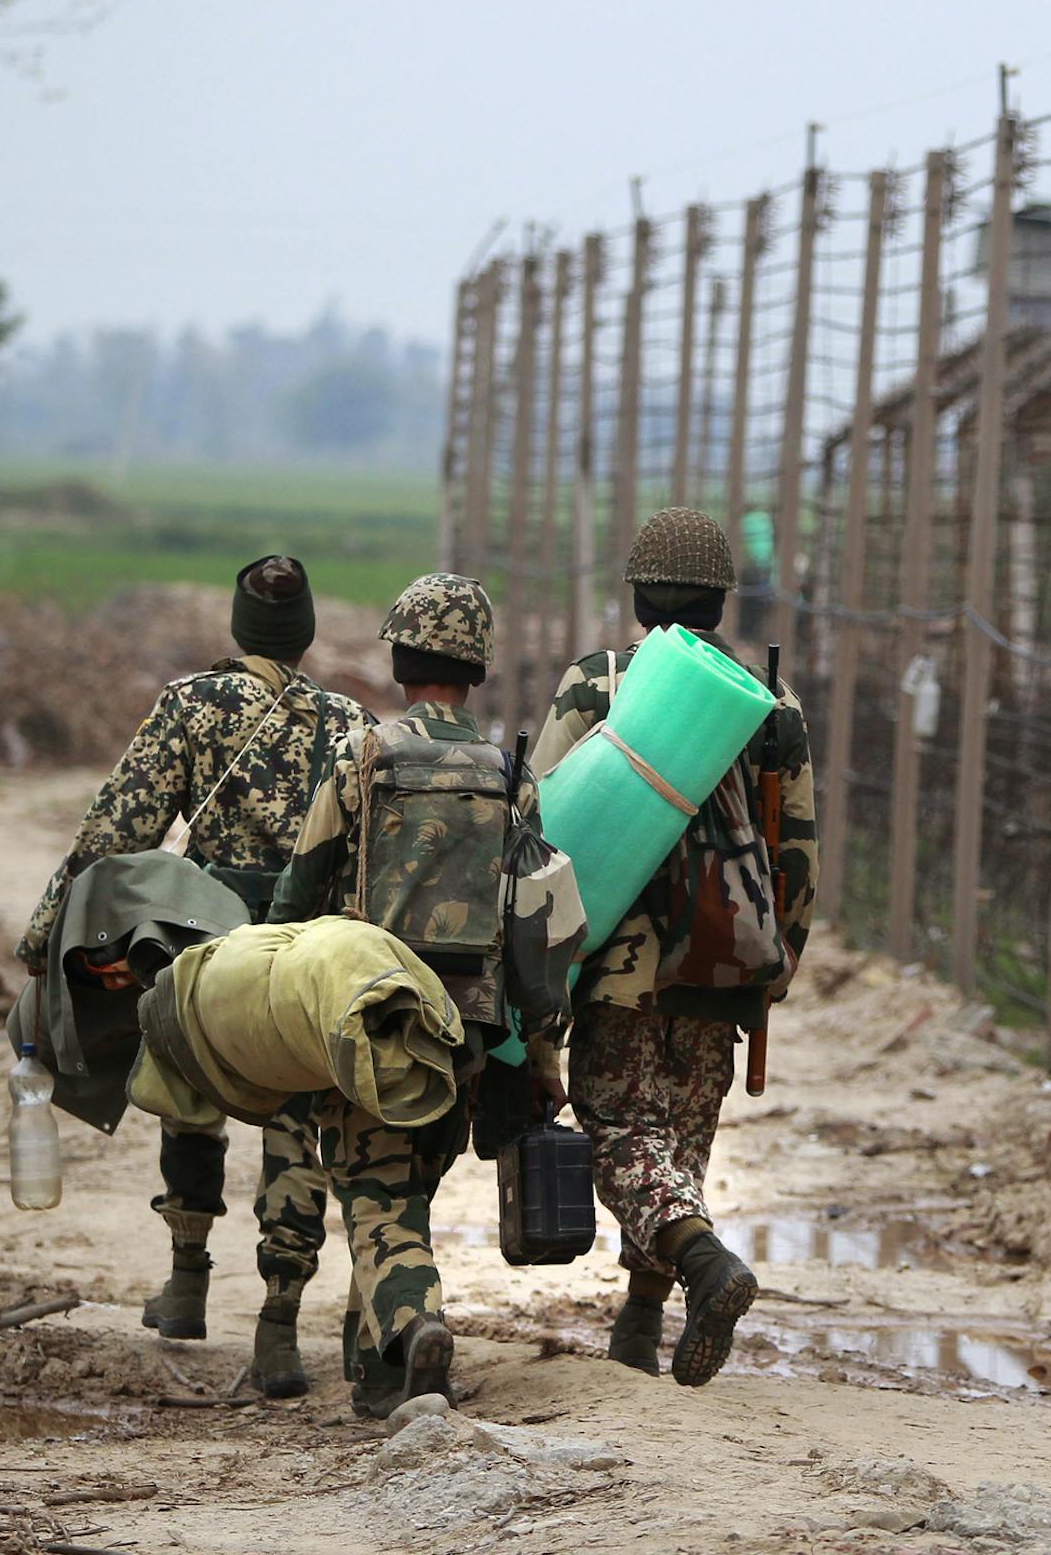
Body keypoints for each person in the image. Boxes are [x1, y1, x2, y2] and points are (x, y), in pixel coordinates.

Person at [18, 555, 369, 1399]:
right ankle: (279, 1326)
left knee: (189, 1090)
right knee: (297, 1124)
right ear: (307, 631)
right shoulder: (348, 720)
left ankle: (185, 1283)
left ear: (239, 628)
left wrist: (45, 936)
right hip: (304, 949)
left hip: (203, 943)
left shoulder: (192, 704)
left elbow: (117, 827)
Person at [530, 507, 816, 1387]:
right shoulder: (769, 704)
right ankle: (642, 1320)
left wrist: (537, 976)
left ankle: (702, 1265)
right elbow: (796, 848)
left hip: (616, 964)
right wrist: (776, 966)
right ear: (722, 601)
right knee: (682, 1135)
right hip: (723, 954)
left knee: (619, 1126)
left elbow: (543, 825)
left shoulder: (598, 684)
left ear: (639, 592)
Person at [269, 572, 565, 1418]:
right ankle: (377, 1378)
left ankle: (418, 1321)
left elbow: (297, 896)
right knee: (405, 1187)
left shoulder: (361, 757)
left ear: (399, 662)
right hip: (468, 1026)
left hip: (371, 1013)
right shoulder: (512, 776)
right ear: (475, 670)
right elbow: (533, 928)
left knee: (373, 1194)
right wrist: (541, 1056)